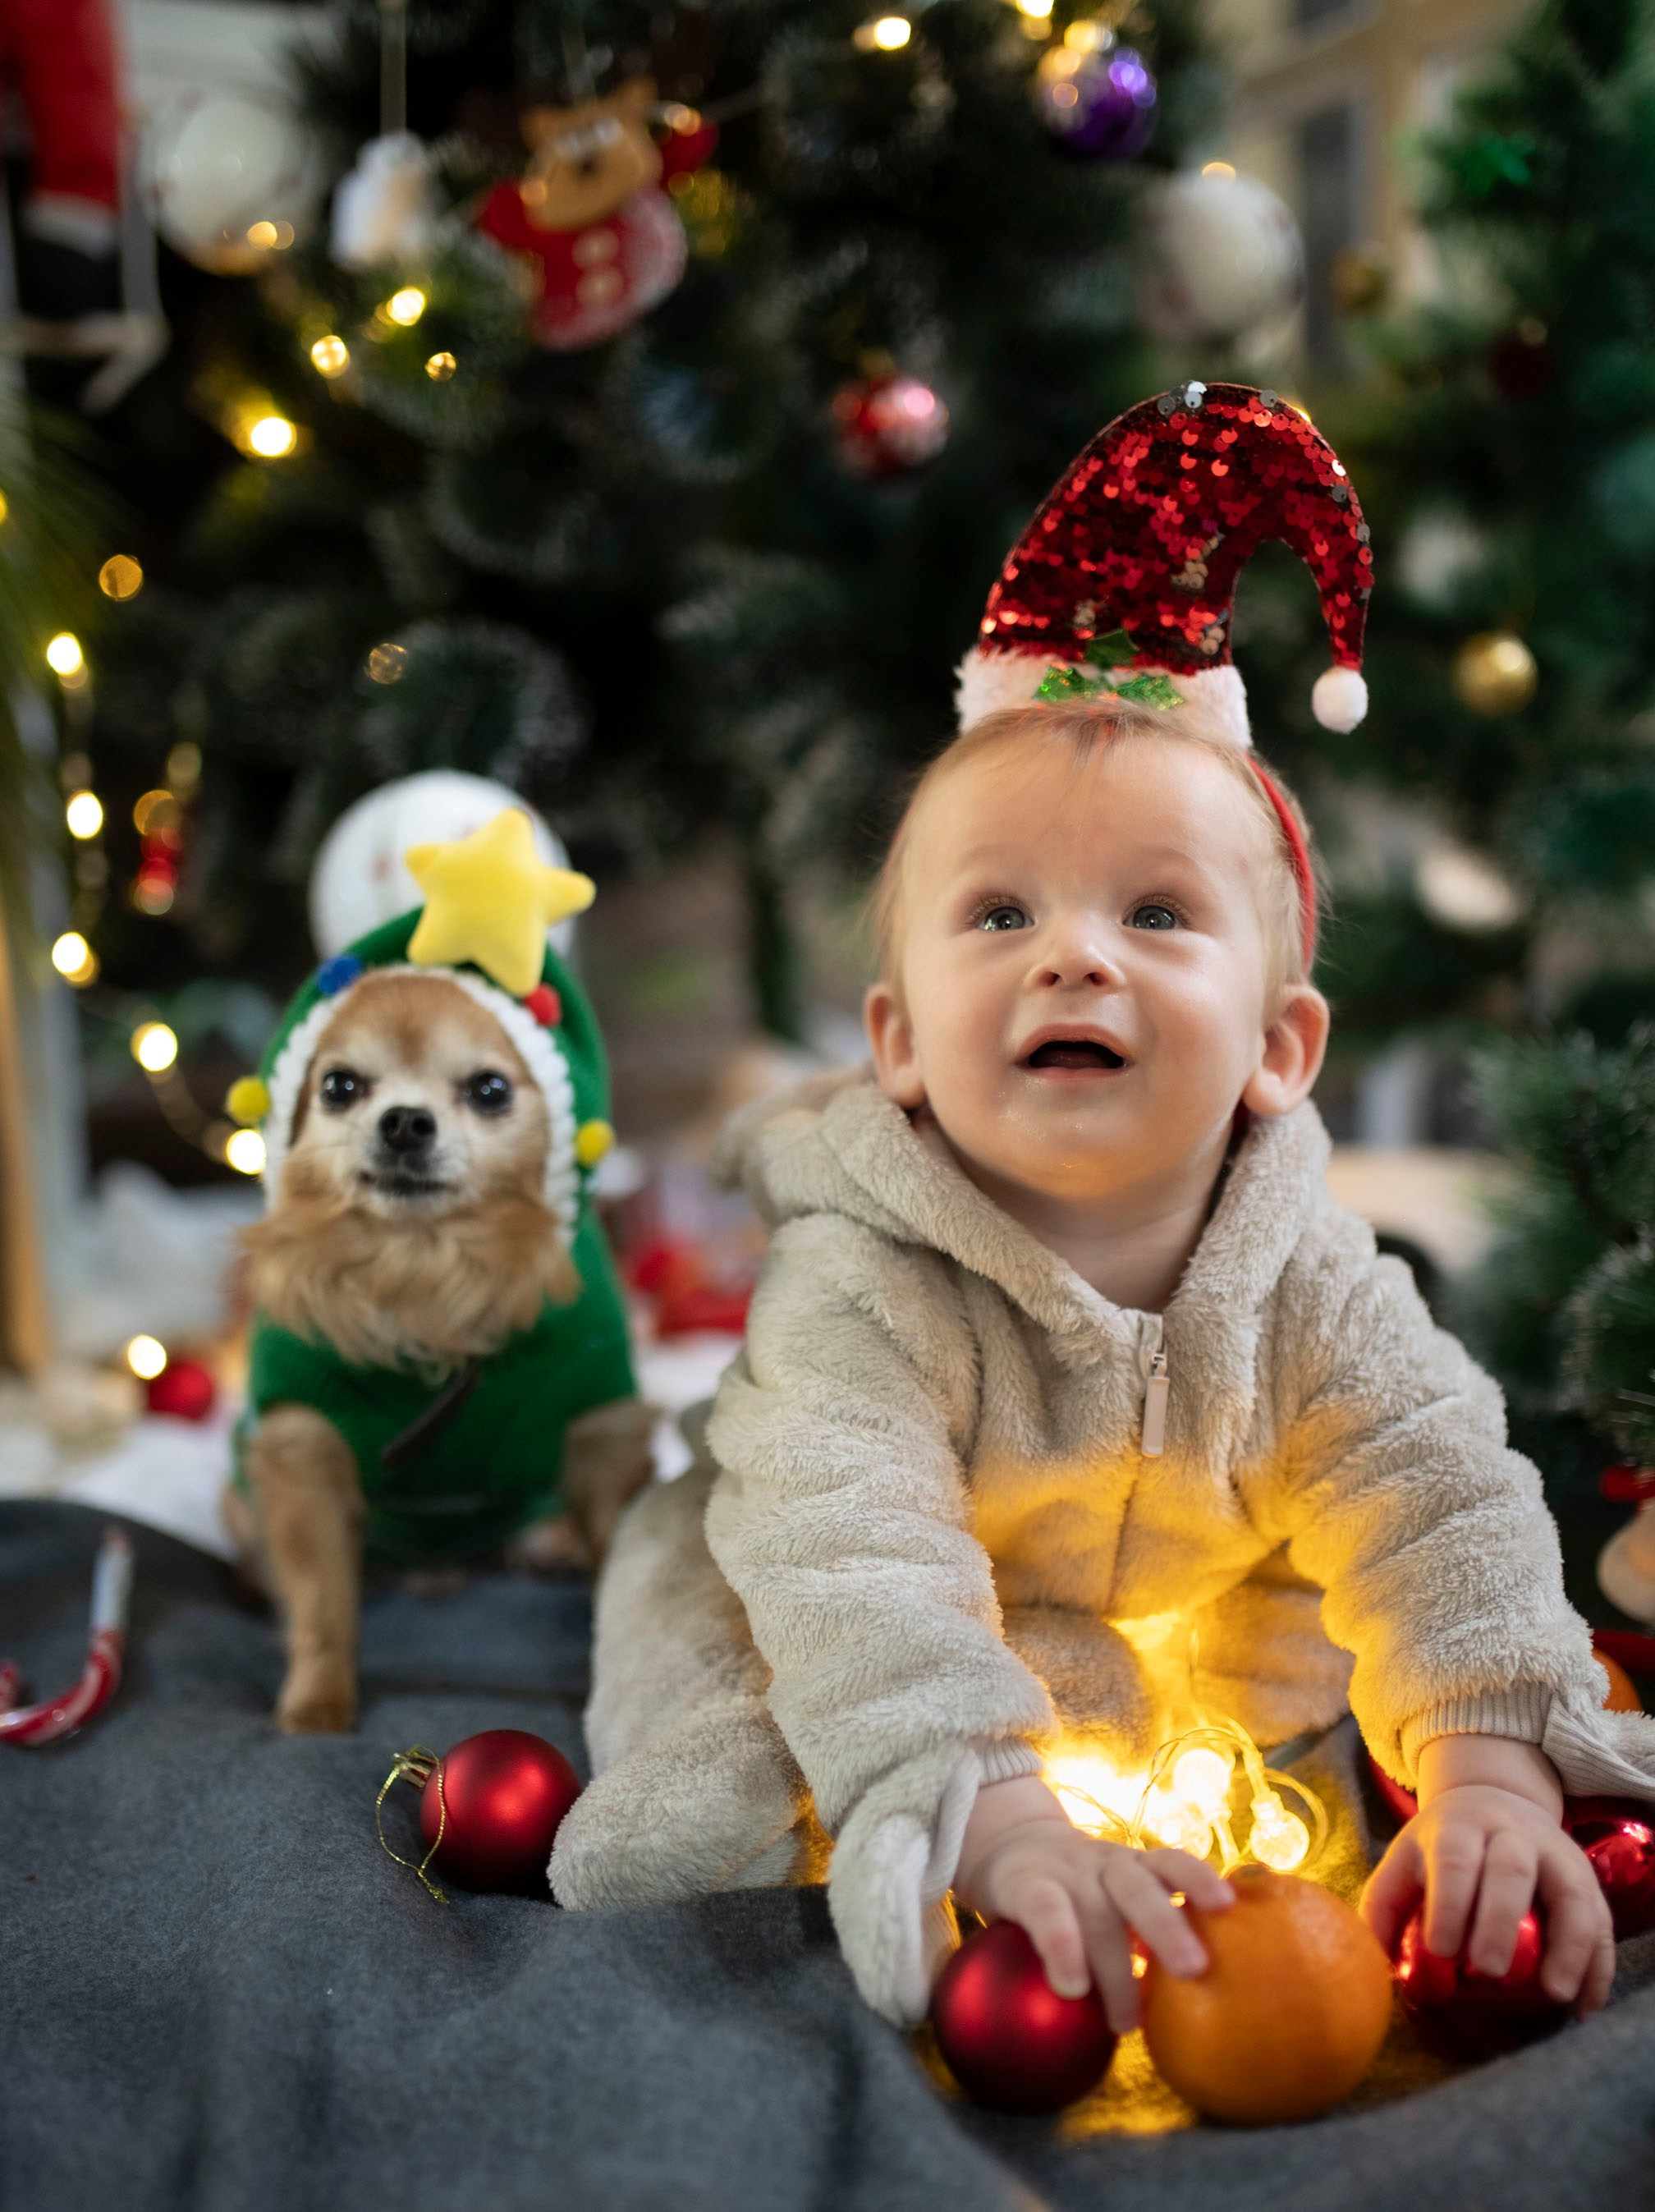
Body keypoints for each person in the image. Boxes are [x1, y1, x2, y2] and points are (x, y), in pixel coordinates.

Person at [552, 385, 1655, 2031]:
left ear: (1278, 1049)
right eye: (1001, 913)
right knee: (726, 1641)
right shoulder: (861, 1278)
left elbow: (1435, 1492)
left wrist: (1490, 1771)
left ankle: (1106, 1732)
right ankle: (880, 1776)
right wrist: (991, 1812)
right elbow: (852, 1544)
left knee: (1319, 1661)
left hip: (1188, 1604)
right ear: (899, 1043)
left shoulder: (1315, 1282)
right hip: (857, 1579)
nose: (1075, 953)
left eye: (1156, 911)